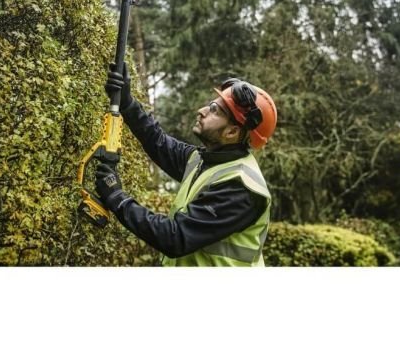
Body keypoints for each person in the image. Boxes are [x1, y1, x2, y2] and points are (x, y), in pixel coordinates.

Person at [95, 63, 277, 267]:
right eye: (210, 104)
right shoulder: (204, 160)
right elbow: (158, 142)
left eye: (214, 110)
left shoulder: (241, 187)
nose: (202, 111)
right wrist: (127, 102)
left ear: (232, 132)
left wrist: (118, 199)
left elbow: (176, 237)